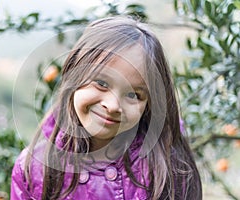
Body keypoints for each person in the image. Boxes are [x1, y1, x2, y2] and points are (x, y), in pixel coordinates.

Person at [11, 16, 202, 200]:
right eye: (101, 83)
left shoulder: (168, 166)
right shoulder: (35, 169)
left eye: (133, 95)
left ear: (149, 104)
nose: (112, 106)